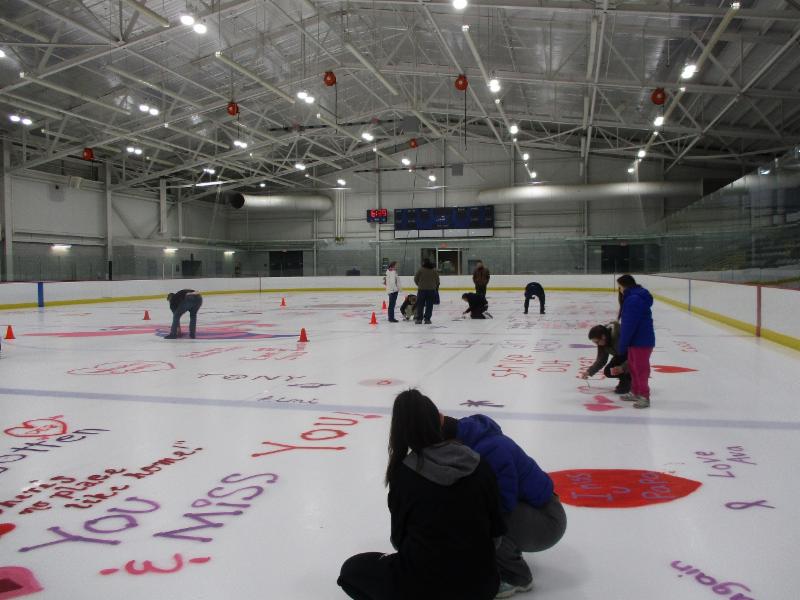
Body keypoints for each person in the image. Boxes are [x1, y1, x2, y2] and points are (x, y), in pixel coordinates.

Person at [338, 389, 506, 600]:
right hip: (483, 585)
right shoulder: (479, 464)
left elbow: (399, 540)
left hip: (424, 586)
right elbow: (496, 533)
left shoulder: (404, 474)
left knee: (351, 570)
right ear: (439, 421)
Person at [441, 414, 567, 598]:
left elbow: (503, 501)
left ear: (452, 441)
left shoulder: (491, 450)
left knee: (483, 520)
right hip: (533, 511)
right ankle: (504, 557)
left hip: (548, 520)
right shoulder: (474, 441)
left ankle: (517, 577)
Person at [616, 274, 655, 409]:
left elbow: (629, 324)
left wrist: (623, 343)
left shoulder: (633, 299)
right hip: (636, 340)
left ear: (624, 286)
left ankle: (644, 396)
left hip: (641, 341)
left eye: (619, 287)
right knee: (633, 367)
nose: (619, 290)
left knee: (640, 369)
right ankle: (635, 392)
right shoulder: (633, 297)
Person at [579, 322, 630, 394]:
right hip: (621, 356)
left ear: (603, 336)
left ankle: (630, 380)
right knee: (609, 371)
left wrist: (623, 367)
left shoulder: (619, 337)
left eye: (597, 342)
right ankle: (626, 378)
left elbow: (635, 357)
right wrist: (589, 372)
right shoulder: (603, 343)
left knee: (625, 370)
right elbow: (601, 360)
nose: (597, 344)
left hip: (636, 356)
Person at [413, 259, 440, 325]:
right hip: (431, 290)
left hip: (421, 290)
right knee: (429, 305)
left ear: (424, 263)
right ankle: (427, 319)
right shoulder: (434, 270)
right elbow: (437, 280)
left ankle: (419, 319)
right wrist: (434, 286)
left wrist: (419, 285)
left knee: (420, 305)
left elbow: (416, 279)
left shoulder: (420, 270)